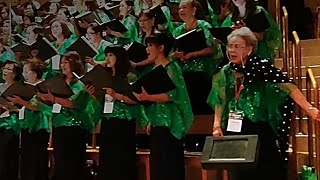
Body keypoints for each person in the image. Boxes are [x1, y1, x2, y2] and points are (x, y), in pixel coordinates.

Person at [207, 27, 320, 180]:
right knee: (238, 173)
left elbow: (288, 87)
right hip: (234, 128)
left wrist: (309, 108)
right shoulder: (225, 72)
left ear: (249, 49)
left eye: (237, 46)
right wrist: (216, 125)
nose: (231, 50)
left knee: (264, 170)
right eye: (230, 46)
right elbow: (219, 100)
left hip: (258, 128)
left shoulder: (261, 67)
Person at [133, 33, 193, 180]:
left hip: (170, 123)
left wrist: (147, 97)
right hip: (156, 122)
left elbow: (172, 95)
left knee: (169, 166)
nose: (147, 49)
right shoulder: (153, 71)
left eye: (150, 46)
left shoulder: (172, 68)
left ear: (161, 48)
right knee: (158, 166)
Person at [86, 46, 145, 180]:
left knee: (121, 161)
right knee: (107, 160)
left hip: (123, 122)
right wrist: (94, 95)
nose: (107, 59)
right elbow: (102, 101)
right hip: (108, 121)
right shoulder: (105, 76)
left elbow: (135, 99)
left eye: (111, 55)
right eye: (106, 55)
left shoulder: (129, 76)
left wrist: (116, 95)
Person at [37, 51, 94, 180]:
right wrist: (44, 97)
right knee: (61, 164)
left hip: (74, 129)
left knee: (72, 165)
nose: (62, 65)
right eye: (61, 62)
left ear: (74, 64)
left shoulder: (81, 84)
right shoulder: (58, 82)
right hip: (59, 126)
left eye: (66, 63)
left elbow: (73, 104)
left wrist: (53, 98)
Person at [171, 0, 223, 114]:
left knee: (201, 106)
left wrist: (193, 54)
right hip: (184, 73)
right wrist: (176, 55)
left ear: (194, 10)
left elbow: (212, 49)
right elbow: (172, 52)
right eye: (179, 8)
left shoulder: (204, 26)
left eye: (184, 7)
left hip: (202, 73)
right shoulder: (177, 30)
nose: (181, 10)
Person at [8, 59, 50, 180]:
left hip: (39, 125)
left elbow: (37, 106)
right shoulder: (25, 87)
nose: (24, 75)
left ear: (35, 73)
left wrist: (20, 101)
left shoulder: (42, 86)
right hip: (27, 124)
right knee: (27, 156)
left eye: (26, 71)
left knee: (37, 157)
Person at [0, 61, 22, 180]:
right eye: (5, 68)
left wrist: (11, 106)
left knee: (9, 156)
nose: (5, 70)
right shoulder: (0, 86)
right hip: (0, 123)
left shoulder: (19, 89)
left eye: (9, 69)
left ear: (14, 74)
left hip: (12, 124)